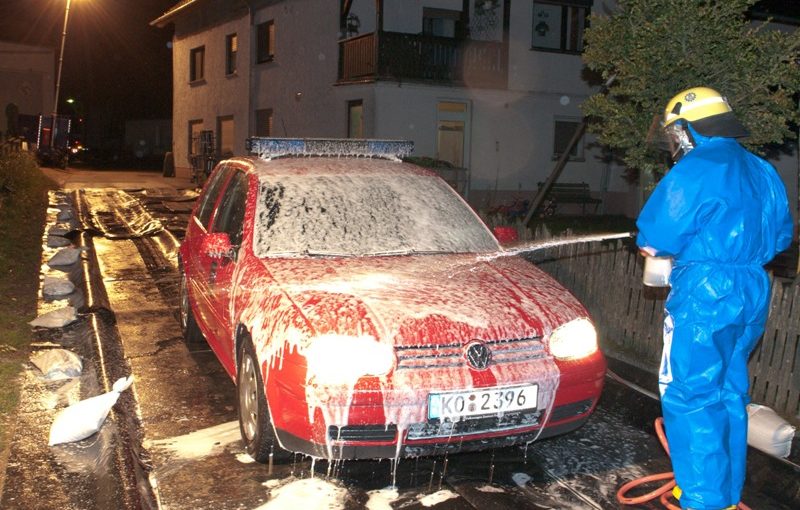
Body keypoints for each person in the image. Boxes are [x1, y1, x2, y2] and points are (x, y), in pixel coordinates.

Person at [636, 86, 793, 509]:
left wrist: (660, 247)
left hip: (706, 292)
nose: (675, 142)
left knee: (690, 394)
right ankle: (724, 495)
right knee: (728, 392)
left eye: (676, 133)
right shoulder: (763, 170)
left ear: (689, 128)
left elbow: (656, 237)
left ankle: (703, 501)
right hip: (752, 288)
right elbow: (780, 236)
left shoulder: (696, 168)